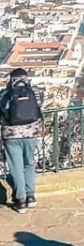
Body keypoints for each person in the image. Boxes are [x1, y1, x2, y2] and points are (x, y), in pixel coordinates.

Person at [1, 68, 42, 213]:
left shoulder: (4, 94)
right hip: (31, 133)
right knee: (29, 163)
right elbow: (38, 108)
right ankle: (31, 196)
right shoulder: (35, 92)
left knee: (16, 167)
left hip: (11, 135)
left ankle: (20, 200)